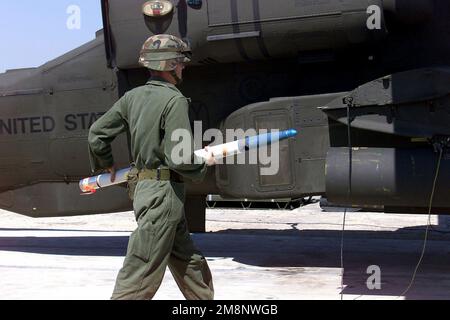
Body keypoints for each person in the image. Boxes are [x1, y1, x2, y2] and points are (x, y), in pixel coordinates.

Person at [87, 34, 215, 300]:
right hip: (164, 193)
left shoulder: (131, 98)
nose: (183, 67)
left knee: (188, 261)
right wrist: (202, 165)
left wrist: (106, 164)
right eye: (180, 62)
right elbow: (179, 158)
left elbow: (97, 134)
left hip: (144, 190)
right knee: (141, 269)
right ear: (170, 65)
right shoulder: (174, 100)